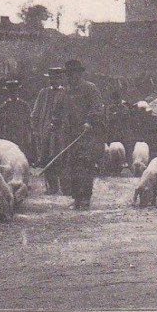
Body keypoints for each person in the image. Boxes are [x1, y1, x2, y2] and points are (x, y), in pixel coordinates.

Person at [52, 59, 105, 209]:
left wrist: (89, 121)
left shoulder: (90, 89)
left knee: (85, 165)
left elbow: (97, 108)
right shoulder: (65, 93)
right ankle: (76, 198)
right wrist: (54, 122)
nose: (69, 77)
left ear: (79, 74)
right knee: (73, 166)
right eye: (67, 75)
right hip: (69, 135)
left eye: (72, 74)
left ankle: (85, 198)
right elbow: (58, 111)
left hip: (86, 135)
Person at [31, 68, 68, 193]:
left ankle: (64, 186)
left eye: (56, 78)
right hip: (44, 130)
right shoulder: (43, 92)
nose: (53, 81)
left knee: (61, 157)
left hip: (61, 131)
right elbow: (36, 111)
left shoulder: (66, 93)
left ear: (61, 79)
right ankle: (52, 187)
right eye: (51, 78)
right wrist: (35, 128)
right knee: (46, 156)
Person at [0, 80, 32, 158]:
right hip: (8, 135)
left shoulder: (24, 105)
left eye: (15, 91)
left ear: (18, 92)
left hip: (21, 135)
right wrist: (1, 134)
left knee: (21, 156)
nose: (13, 93)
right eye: (10, 91)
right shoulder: (4, 106)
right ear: (8, 93)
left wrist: (28, 134)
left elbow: (29, 121)